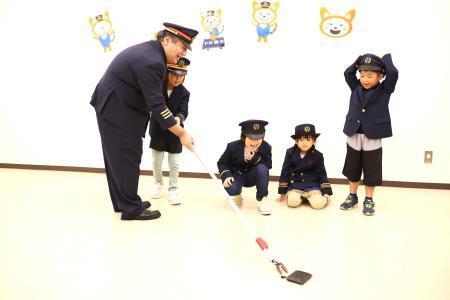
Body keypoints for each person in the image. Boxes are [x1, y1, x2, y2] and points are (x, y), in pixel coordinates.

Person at [90, 23, 198, 220]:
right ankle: (131, 208)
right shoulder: (153, 62)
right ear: (166, 40)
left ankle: (124, 202)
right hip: (118, 111)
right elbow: (157, 104)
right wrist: (181, 133)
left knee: (118, 159)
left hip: (115, 107)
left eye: (186, 49)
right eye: (182, 46)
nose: (183, 52)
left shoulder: (152, 54)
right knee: (127, 158)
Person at [340, 53, 399, 216]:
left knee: (371, 167)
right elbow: (348, 73)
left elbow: (393, 73)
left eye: (370, 76)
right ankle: (352, 196)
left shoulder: (385, 89)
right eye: (362, 75)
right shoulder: (355, 86)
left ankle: (368, 198)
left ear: (380, 75)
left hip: (373, 133)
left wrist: (385, 58)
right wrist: (360, 59)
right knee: (353, 166)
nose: (365, 79)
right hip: (353, 132)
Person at [150, 57, 191, 205]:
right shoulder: (157, 87)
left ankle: (173, 189)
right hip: (157, 130)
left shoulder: (185, 93)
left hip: (176, 132)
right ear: (167, 73)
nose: (177, 78)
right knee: (156, 161)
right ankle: (158, 183)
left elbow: (184, 111)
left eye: (181, 75)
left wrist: (179, 118)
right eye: (174, 74)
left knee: (174, 163)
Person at [217, 120, 272, 215]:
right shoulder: (232, 146)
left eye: (258, 138)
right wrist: (226, 175)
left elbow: (268, 165)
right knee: (232, 188)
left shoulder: (266, 147)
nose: (254, 142)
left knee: (262, 168)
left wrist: (256, 159)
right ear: (243, 137)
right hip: (237, 176)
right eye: (251, 138)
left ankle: (262, 200)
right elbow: (222, 163)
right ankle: (236, 194)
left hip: (253, 177)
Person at [276, 124, 332, 209]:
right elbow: (285, 172)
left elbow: (322, 174)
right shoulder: (290, 153)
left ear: (314, 141)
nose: (305, 143)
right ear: (296, 141)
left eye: (308, 140)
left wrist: (326, 192)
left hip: (312, 186)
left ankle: (311, 198)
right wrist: (282, 193)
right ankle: (303, 198)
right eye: (301, 140)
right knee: (292, 202)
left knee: (318, 204)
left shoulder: (318, 155)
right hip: (295, 186)